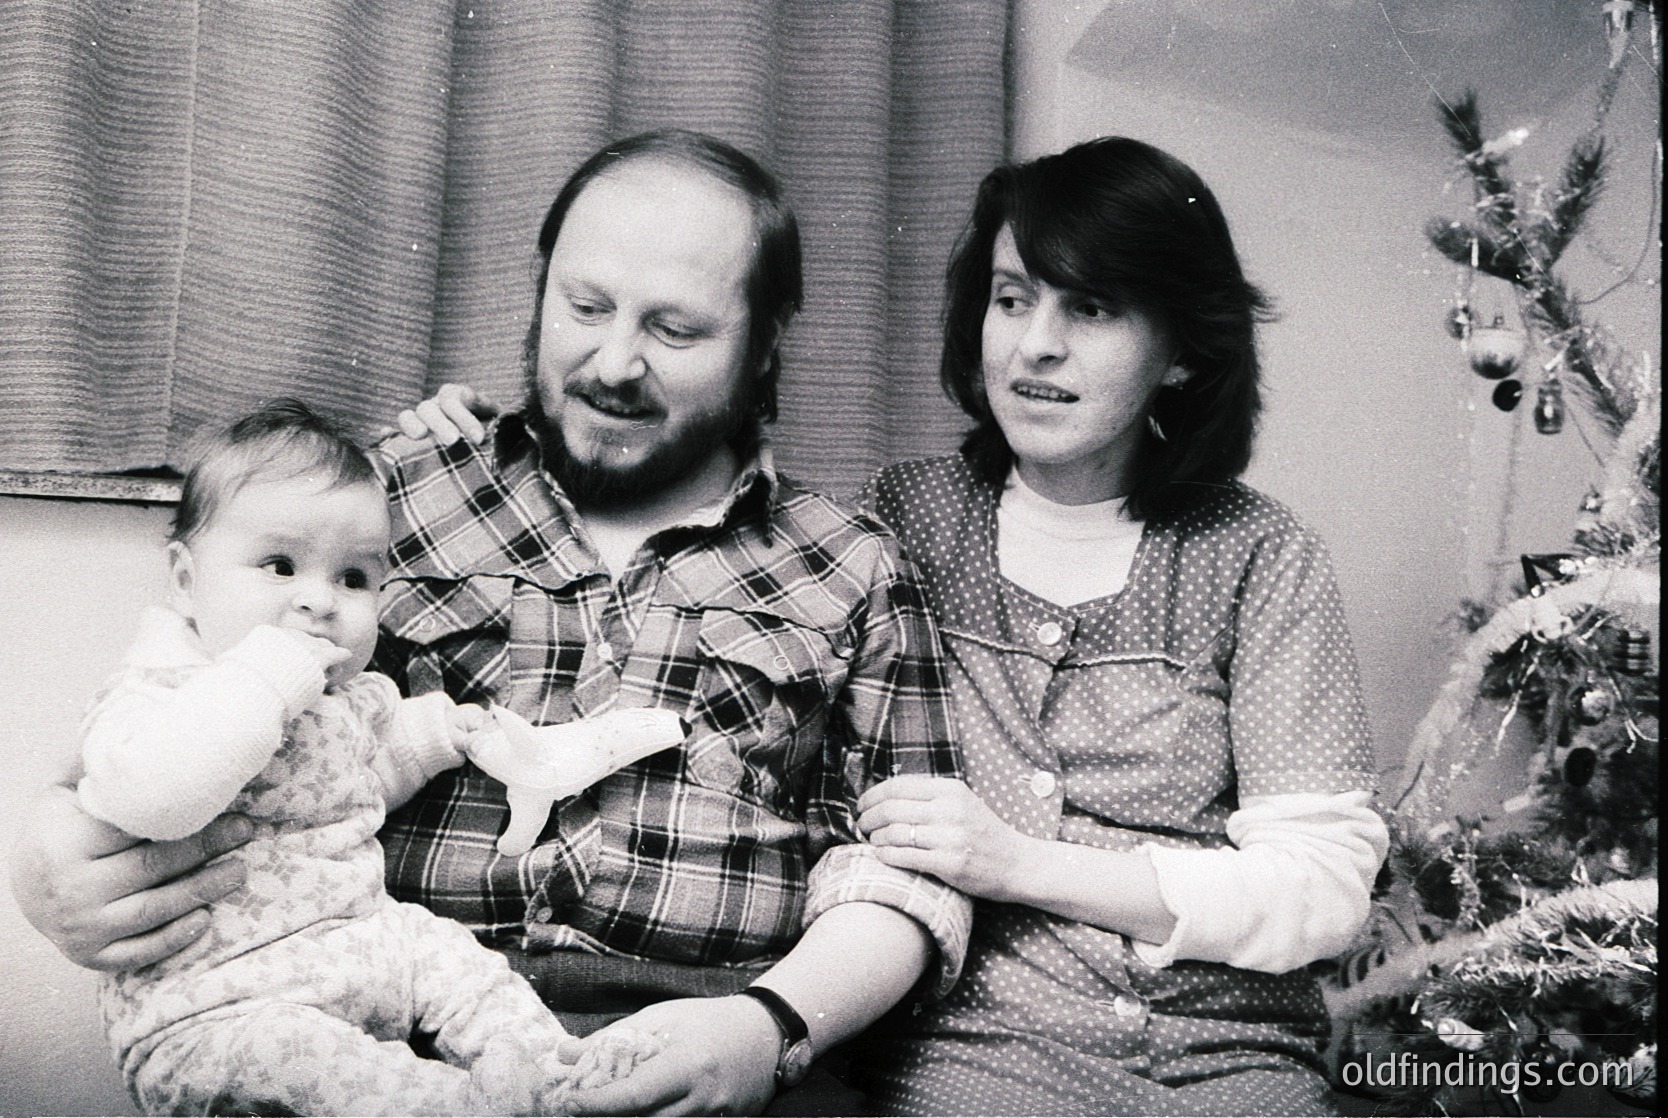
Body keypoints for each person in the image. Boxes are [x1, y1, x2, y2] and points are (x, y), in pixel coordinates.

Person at [10, 130, 972, 1117]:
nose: (615, 362)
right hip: (382, 1036)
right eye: (584, 307)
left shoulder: (851, 561)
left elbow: (910, 867)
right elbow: (176, 700)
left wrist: (771, 1026)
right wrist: (46, 854)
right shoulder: (386, 501)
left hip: (708, 1039)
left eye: (675, 330)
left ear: (765, 343)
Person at [841, 137, 1389, 1115]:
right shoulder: (903, 519)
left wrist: (1019, 864)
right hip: (977, 1048)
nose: (1034, 346)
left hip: (1233, 1053)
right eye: (1012, 299)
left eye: (1090, 307)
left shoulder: (1262, 554)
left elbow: (1322, 888)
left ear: (1181, 351)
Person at [76, 398, 671, 1115]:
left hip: (358, 942)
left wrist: (440, 735)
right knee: (321, 1066)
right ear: (184, 579)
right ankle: (468, 1107)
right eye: (280, 566)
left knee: (453, 958)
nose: (320, 601)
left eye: (354, 578)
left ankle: (549, 1069)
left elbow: (361, 780)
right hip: (220, 1010)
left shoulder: (343, 699)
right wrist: (266, 676)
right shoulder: (161, 691)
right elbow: (153, 799)